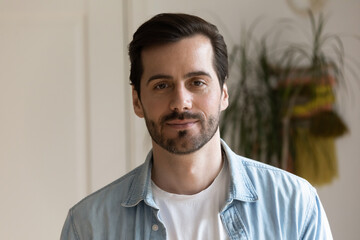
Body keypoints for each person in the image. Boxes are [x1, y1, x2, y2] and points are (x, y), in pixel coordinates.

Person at [60, 13, 332, 240]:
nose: (181, 102)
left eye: (197, 82)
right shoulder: (88, 226)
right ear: (137, 101)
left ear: (224, 93)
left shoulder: (294, 204)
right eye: (161, 85)